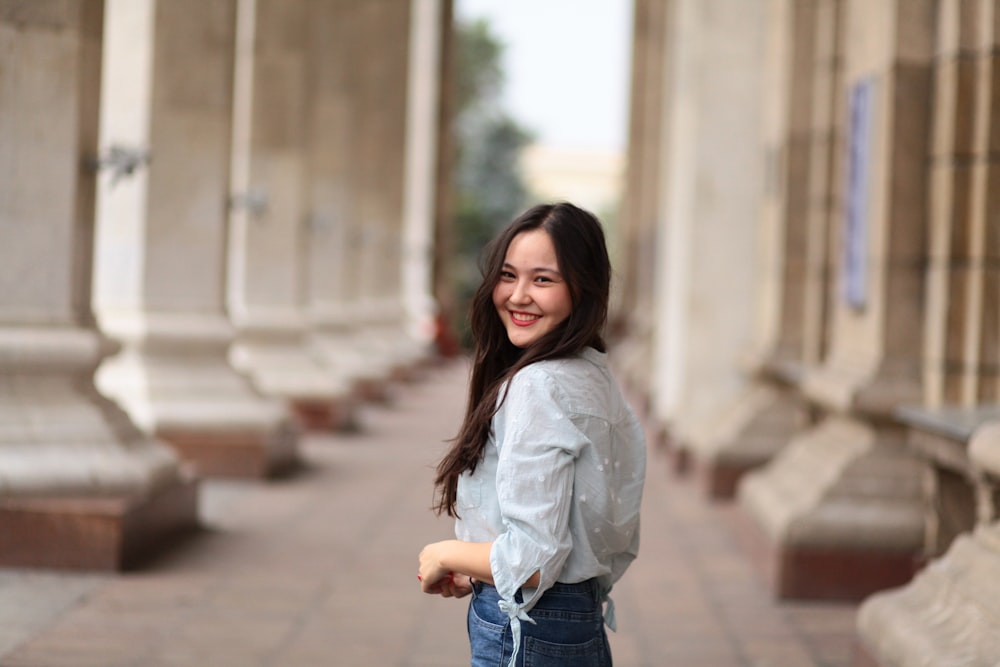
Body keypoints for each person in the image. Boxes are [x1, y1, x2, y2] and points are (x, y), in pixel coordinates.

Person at [418, 202, 647, 666]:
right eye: (508, 275)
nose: (519, 296)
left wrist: (447, 552)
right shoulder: (593, 374)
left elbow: (534, 558)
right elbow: (594, 536)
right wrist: (481, 569)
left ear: (583, 289)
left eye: (543, 279)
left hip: (527, 629)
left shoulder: (537, 385)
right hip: (576, 619)